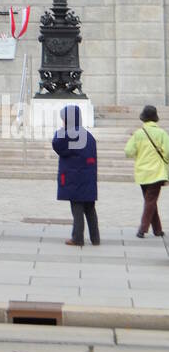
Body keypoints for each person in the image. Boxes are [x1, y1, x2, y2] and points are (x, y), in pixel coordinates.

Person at [51, 104, 100, 247]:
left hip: (74, 179)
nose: (62, 122)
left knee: (77, 208)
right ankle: (95, 238)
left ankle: (77, 238)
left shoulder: (68, 134)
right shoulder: (88, 136)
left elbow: (57, 145)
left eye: (64, 119)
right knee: (90, 209)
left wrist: (62, 129)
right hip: (88, 178)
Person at [124, 105, 169, 238]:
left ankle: (158, 229)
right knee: (151, 201)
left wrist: (139, 154)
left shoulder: (138, 133)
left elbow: (128, 152)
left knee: (150, 200)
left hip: (142, 172)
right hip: (157, 172)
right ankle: (143, 229)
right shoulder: (162, 133)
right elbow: (167, 152)